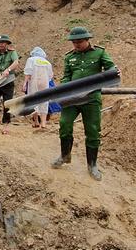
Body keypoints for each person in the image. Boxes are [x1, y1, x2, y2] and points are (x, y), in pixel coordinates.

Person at [52, 27, 117, 181]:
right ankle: (65, 155)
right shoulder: (69, 57)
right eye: (74, 42)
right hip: (72, 98)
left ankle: (92, 165)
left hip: (91, 98)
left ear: (88, 40)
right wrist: (64, 87)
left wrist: (112, 73)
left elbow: (110, 68)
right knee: (64, 124)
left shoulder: (99, 53)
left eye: (79, 42)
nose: (76, 45)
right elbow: (66, 76)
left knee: (93, 130)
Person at [0, 34, 20, 134]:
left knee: (7, 104)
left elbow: (16, 62)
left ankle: (5, 124)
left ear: (7, 44)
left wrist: (8, 70)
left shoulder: (12, 52)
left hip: (8, 81)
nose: (1, 44)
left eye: (3, 42)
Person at [23, 47, 54, 130]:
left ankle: (36, 122)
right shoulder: (47, 62)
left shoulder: (31, 60)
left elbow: (28, 72)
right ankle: (43, 123)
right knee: (44, 101)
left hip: (34, 82)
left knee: (33, 101)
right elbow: (50, 76)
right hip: (44, 83)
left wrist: (25, 83)